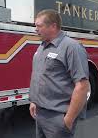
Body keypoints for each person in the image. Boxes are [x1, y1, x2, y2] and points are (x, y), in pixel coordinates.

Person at [29, 9, 90, 138]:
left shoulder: (71, 47)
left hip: (58, 117)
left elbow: (82, 86)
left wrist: (68, 120)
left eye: (39, 26)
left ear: (53, 26)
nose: (36, 29)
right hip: (40, 113)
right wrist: (34, 101)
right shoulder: (42, 46)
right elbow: (40, 76)